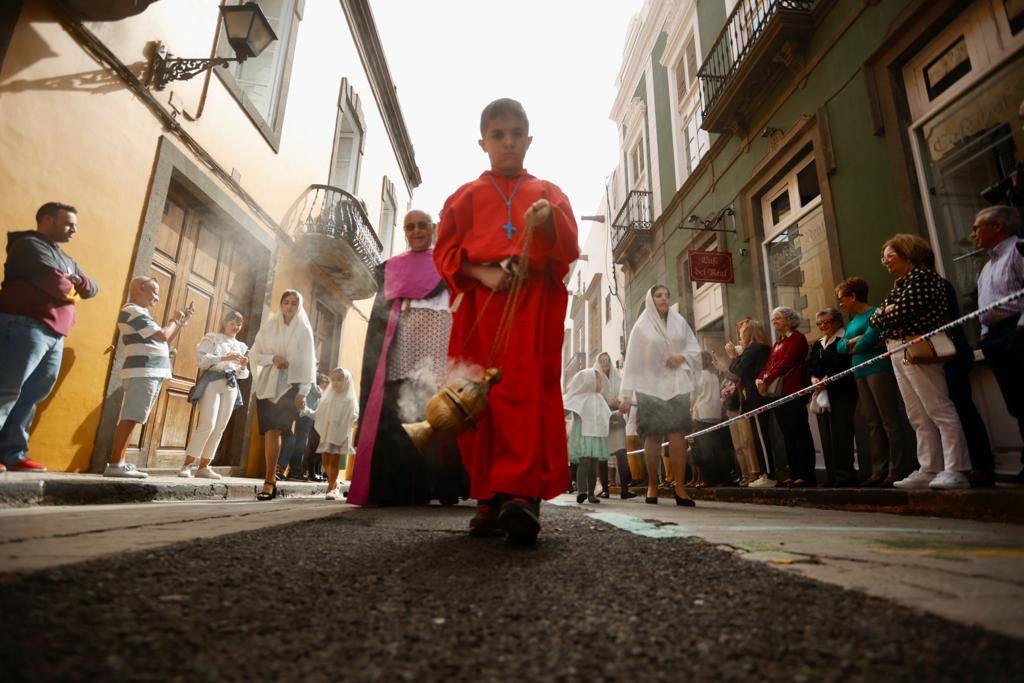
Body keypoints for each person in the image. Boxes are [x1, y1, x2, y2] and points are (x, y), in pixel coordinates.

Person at [434, 98, 579, 542]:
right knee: (476, 398)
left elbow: (568, 247)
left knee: (523, 395)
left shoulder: (548, 191)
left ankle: (522, 495)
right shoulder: (464, 196)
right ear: (483, 142)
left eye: (516, 134)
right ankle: (487, 496)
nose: (508, 142)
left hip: (530, 308)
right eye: (498, 135)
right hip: (482, 307)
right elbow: (445, 252)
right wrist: (482, 273)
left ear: (529, 140)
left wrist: (548, 219)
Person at [350, 209, 466, 507]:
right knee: (400, 420)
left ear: (433, 229)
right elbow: (382, 320)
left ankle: (441, 486)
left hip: (438, 359)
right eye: (410, 227)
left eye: (422, 225)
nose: (416, 231)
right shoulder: (394, 267)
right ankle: (398, 489)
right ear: (404, 232)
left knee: (438, 420)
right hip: (401, 358)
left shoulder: (447, 264)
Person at [0, 202, 98, 473]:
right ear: (47, 220)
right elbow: (58, 286)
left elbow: (92, 289)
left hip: (55, 334)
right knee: (6, 388)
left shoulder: (65, 258)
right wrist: (73, 285)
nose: (74, 230)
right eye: (68, 224)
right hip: (24, 325)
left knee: (32, 395)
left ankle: (12, 454)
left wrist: (78, 281)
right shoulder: (29, 245)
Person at [870, 234, 970, 489]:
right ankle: (929, 468)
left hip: (919, 347)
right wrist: (887, 312)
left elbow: (902, 312)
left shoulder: (923, 278)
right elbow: (875, 320)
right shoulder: (900, 284)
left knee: (938, 408)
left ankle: (956, 468)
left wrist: (887, 312)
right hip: (897, 348)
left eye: (890, 256)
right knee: (916, 414)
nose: (885, 262)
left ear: (908, 253)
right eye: (883, 258)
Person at [618, 285, 701, 507]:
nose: (664, 299)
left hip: (677, 385)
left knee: (677, 434)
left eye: (667, 295)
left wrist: (681, 357)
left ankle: (680, 487)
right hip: (650, 388)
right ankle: (653, 484)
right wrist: (626, 395)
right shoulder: (641, 327)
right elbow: (632, 362)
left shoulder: (679, 322)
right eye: (659, 295)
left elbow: (694, 349)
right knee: (653, 436)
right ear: (650, 299)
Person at [105, 276, 194, 478]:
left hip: (149, 370)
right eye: (154, 292)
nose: (157, 298)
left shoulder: (140, 312)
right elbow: (163, 335)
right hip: (143, 371)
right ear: (140, 289)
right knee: (131, 416)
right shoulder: (132, 310)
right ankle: (116, 464)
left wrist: (180, 322)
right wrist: (174, 319)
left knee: (134, 416)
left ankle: (119, 462)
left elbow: (163, 339)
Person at [836, 277, 912, 487]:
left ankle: (896, 470)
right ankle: (879, 470)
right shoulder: (852, 322)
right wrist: (854, 343)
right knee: (872, 422)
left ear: (853, 296)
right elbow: (840, 348)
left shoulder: (875, 313)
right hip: (859, 371)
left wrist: (854, 344)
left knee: (889, 419)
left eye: (841, 298)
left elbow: (869, 339)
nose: (840, 303)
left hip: (878, 368)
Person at [971, 206, 1024, 484]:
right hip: (994, 338)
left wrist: (1021, 327)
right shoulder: (987, 266)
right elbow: (984, 305)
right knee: (1017, 403)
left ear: (998, 226)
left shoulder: (1018, 251)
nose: (973, 234)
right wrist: (984, 334)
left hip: (1016, 332)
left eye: (977, 227)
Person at [250, 290, 316, 500]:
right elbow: (255, 353)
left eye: (294, 303)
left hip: (290, 386)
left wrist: (304, 391)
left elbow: (308, 362)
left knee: (278, 429)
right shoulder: (270, 326)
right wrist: (273, 358)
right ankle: (270, 479)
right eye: (286, 302)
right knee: (270, 431)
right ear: (281, 304)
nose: (289, 306)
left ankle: (270, 480)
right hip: (268, 385)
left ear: (299, 306)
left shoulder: (304, 330)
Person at [178, 310, 249, 479]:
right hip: (213, 382)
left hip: (231, 385)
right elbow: (201, 360)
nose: (235, 327)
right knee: (207, 424)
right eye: (232, 323)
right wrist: (224, 358)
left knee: (220, 428)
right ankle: (187, 465)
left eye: (238, 324)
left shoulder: (241, 346)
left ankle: (203, 467)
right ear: (225, 323)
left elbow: (242, 375)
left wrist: (244, 366)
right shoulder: (213, 338)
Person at [755, 307, 815, 487]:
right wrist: (760, 379)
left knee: (799, 432)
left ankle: (806, 474)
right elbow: (769, 364)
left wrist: (766, 380)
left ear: (789, 320)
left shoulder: (797, 338)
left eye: (778, 318)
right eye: (773, 319)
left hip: (793, 390)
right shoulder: (778, 342)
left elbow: (786, 363)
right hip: (779, 393)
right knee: (787, 433)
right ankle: (794, 473)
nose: (774, 322)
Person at [806, 307, 859, 487]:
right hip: (821, 393)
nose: (823, 326)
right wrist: (813, 378)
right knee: (826, 435)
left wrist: (827, 379)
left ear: (837, 321)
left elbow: (845, 364)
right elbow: (811, 365)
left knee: (841, 433)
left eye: (826, 322)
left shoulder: (843, 339)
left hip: (841, 391)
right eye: (819, 323)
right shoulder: (818, 343)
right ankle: (831, 476)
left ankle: (846, 475)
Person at [723, 319, 773, 487]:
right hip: (754, 397)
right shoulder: (759, 348)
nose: (740, 336)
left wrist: (733, 357)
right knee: (758, 436)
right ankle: (765, 473)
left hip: (755, 398)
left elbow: (739, 372)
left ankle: (768, 475)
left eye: (742, 333)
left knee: (760, 437)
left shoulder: (754, 349)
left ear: (749, 333)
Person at [564, 367, 611, 504]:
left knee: (593, 466)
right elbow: (567, 409)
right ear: (590, 381)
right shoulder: (579, 398)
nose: (601, 384)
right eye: (599, 381)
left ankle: (591, 494)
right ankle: (581, 491)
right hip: (583, 435)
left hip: (595, 436)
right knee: (584, 463)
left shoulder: (599, 399)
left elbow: (605, 415)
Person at [594, 352, 635, 499]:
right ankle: (605, 489)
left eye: (607, 360)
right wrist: (607, 403)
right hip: (602, 421)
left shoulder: (617, 377)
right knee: (602, 456)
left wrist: (620, 402)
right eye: (602, 360)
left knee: (621, 454)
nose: (605, 363)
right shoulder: (595, 377)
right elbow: (594, 397)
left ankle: (624, 490)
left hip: (616, 418)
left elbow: (624, 395)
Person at [315, 368, 358, 501]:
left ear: (346, 381)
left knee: (334, 460)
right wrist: (306, 411)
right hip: (327, 433)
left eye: (339, 379)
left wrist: (354, 419)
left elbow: (353, 416)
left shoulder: (349, 399)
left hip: (339, 434)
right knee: (325, 461)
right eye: (333, 379)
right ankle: (335, 482)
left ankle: (331, 487)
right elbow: (319, 413)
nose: (335, 382)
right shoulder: (328, 397)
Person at [689, 351, 730, 487]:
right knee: (717, 448)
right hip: (715, 413)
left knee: (705, 448)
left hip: (701, 414)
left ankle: (709, 479)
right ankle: (723, 477)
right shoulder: (714, 375)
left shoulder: (699, 376)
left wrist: (691, 410)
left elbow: (693, 396)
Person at [279, 381, 323, 481]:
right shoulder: (310, 379)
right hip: (304, 409)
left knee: (296, 439)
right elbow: (317, 393)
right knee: (299, 441)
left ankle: (290, 470)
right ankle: (293, 471)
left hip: (301, 409)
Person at [302, 373, 330, 481]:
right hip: (313, 420)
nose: (326, 384)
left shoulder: (326, 394)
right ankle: (310, 472)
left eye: (327, 383)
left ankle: (317, 472)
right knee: (313, 447)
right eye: (324, 382)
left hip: (320, 422)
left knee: (319, 448)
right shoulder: (317, 390)